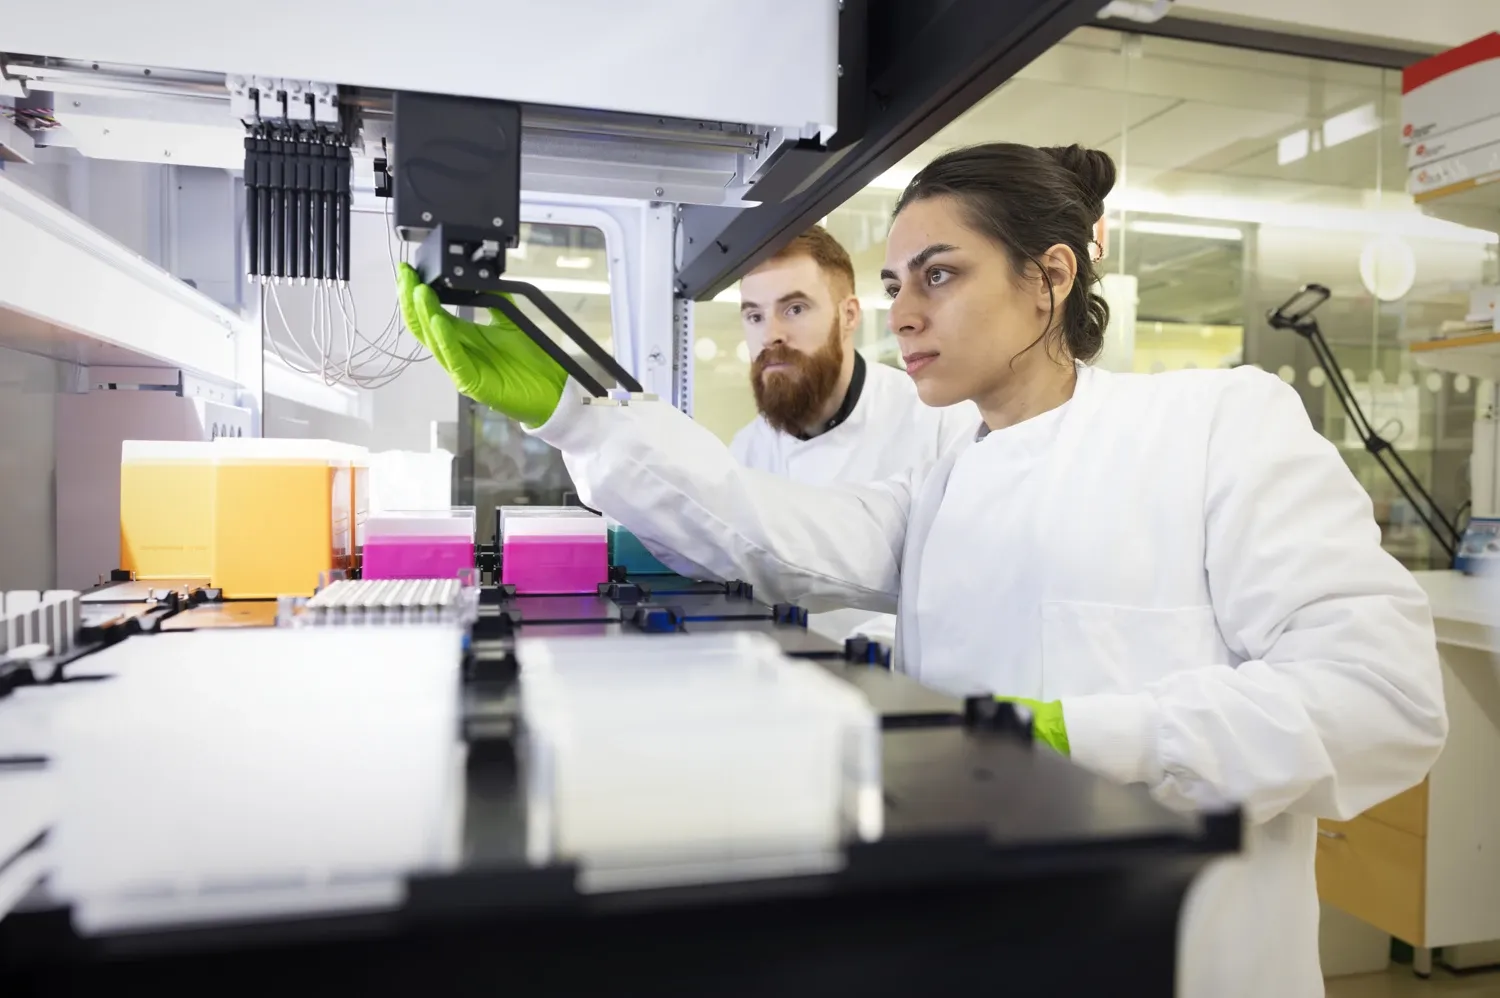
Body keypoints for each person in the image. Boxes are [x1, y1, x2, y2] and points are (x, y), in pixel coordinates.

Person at [396, 141, 1447, 998]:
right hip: (984, 940)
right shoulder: (945, 479)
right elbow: (766, 525)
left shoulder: (1215, 423)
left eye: (939, 275)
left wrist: (1090, 737)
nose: (901, 314)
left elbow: (1383, 694)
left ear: (1051, 276)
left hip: (1185, 959)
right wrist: (576, 412)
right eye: (896, 283)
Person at [730, 225, 977, 642]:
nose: (771, 333)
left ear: (848, 316)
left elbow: (963, 586)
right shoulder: (745, 449)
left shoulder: (939, 419)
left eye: (794, 309)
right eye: (754, 315)